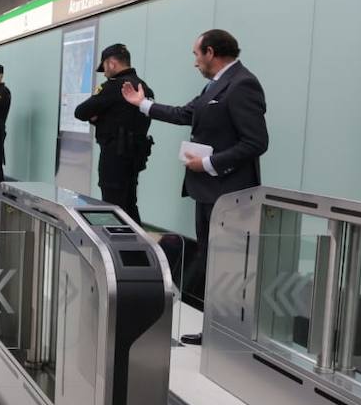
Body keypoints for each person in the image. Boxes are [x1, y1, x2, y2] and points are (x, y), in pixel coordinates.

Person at [121, 28, 267, 344]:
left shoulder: (243, 85)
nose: (195, 62)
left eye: (196, 54)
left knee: (228, 263)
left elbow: (256, 142)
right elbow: (184, 114)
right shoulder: (215, 86)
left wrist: (210, 163)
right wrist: (142, 104)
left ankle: (230, 332)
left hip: (230, 194)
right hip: (207, 192)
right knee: (213, 258)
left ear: (211, 53)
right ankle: (216, 330)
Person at [74, 43, 154, 225]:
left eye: (105, 68)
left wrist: (97, 118)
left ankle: (119, 251)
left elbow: (80, 112)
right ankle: (137, 250)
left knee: (113, 206)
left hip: (114, 155)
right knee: (130, 204)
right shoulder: (145, 88)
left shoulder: (113, 87)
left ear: (111, 63)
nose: (105, 73)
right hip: (136, 156)